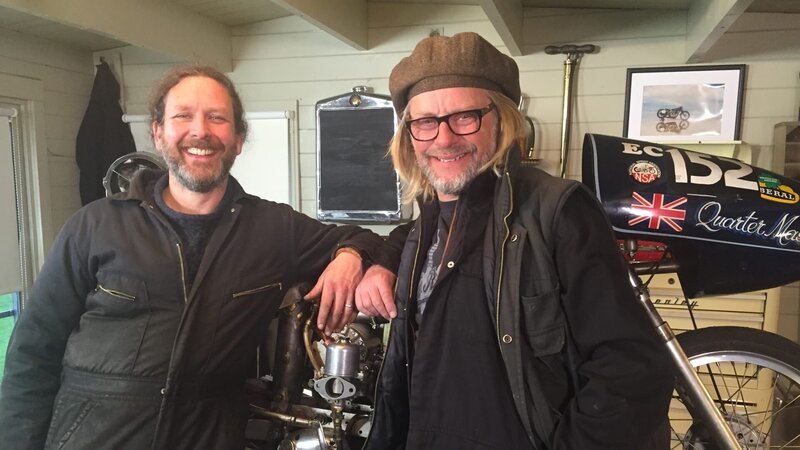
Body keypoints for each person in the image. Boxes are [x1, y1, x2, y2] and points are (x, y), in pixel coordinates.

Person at [0, 65, 382, 449]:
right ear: (158, 133)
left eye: (217, 118)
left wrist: (350, 257)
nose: (200, 131)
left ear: (238, 139)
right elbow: (33, 355)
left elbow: (367, 238)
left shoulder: (274, 228)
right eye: (183, 116)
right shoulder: (94, 225)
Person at [355, 32, 673, 449]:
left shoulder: (558, 212)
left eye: (465, 116)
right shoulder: (423, 225)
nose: (444, 138)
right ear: (409, 136)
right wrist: (378, 261)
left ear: (501, 120)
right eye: (426, 122)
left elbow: (631, 369)